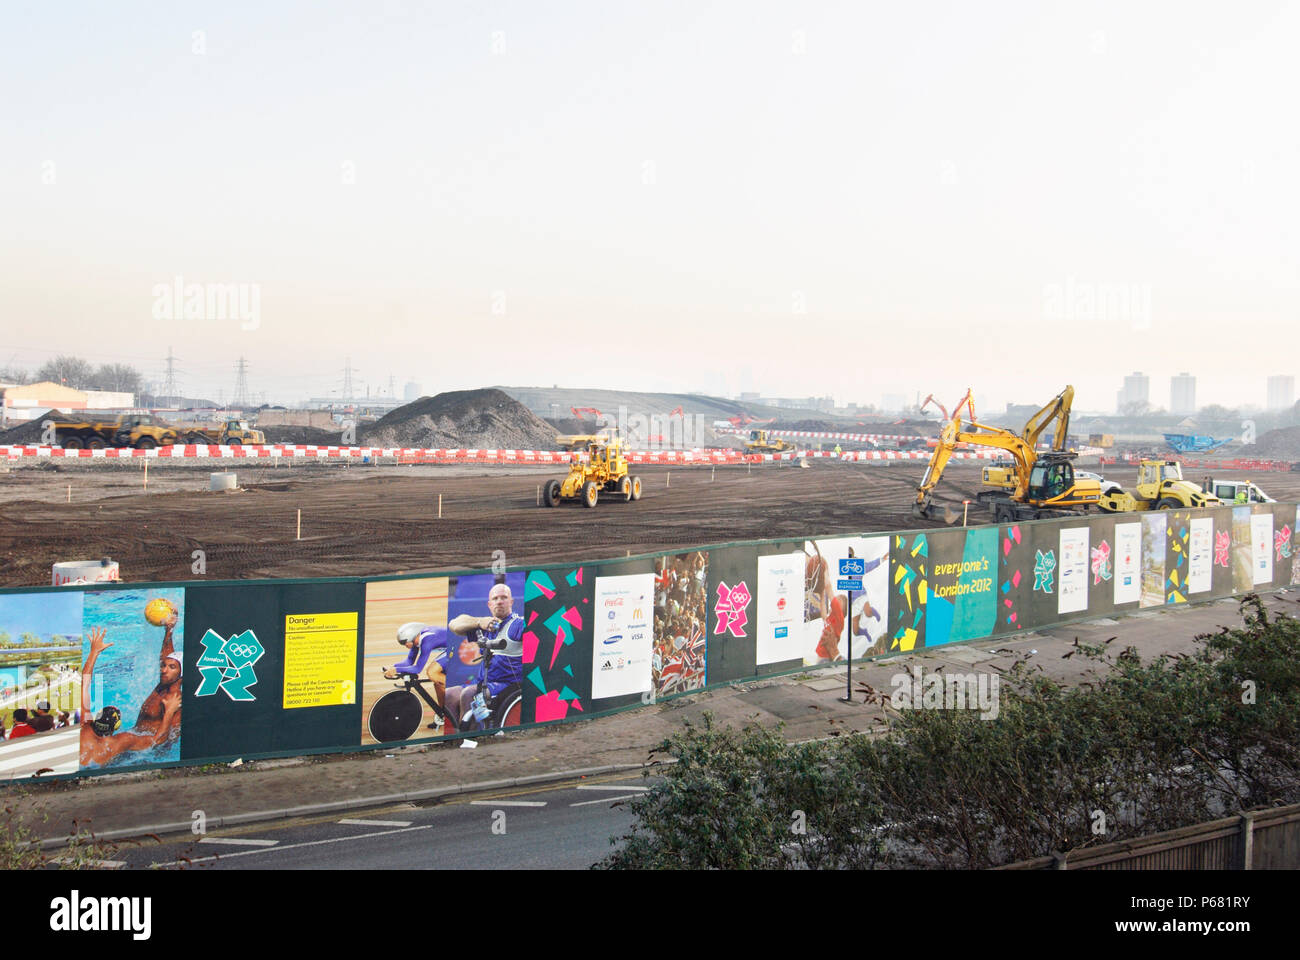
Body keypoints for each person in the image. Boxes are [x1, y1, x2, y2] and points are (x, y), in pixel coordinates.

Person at [80, 627, 179, 767]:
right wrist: (169, 711)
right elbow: (158, 740)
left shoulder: (84, 727)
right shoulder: (121, 741)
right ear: (117, 726)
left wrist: (93, 652)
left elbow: (84, 684)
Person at [445, 582, 524, 731]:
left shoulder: (518, 624)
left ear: (511, 602)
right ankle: (454, 737)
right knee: (449, 695)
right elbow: (454, 625)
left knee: (469, 693)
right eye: (495, 598)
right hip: (485, 683)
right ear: (489, 604)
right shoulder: (486, 625)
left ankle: (469, 737)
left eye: (504, 597)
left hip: (508, 685)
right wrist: (479, 621)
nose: (499, 601)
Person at [383, 622, 456, 729]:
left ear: (413, 636)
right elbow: (409, 662)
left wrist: (396, 670)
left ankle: (459, 688)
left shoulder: (427, 641)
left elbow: (417, 669)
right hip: (451, 647)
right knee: (438, 684)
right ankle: (443, 715)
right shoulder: (417, 640)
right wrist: (392, 667)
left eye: (404, 642)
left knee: (432, 672)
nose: (405, 645)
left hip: (459, 646)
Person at [133, 602, 182, 741]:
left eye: (171, 668)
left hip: (142, 754)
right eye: (163, 666)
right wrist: (169, 630)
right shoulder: (163, 686)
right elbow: (167, 657)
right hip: (133, 743)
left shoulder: (175, 700)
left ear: (181, 674)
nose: (164, 670)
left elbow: (170, 739)